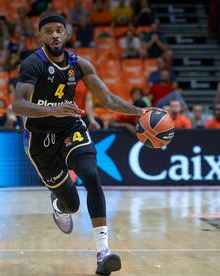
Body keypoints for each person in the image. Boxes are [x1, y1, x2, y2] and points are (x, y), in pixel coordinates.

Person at [12, 13, 156, 275]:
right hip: (40, 139)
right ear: (41, 37)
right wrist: (53, 109)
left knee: (91, 174)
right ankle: (58, 204)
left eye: (59, 30)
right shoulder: (33, 63)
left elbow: (108, 98)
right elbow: (18, 105)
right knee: (72, 204)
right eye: (49, 31)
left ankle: (103, 252)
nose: (54, 35)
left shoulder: (80, 65)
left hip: (70, 127)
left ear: (66, 34)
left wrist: (139, 112)